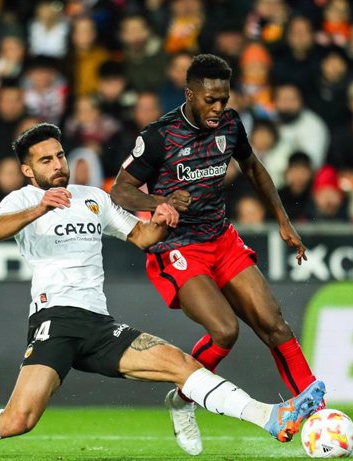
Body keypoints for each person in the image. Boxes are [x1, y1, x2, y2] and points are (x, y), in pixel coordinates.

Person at [0, 123, 325, 457]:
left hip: (99, 324)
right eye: (45, 160)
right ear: (28, 171)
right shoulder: (23, 201)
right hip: (56, 321)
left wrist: (162, 221)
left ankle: (271, 416)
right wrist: (38, 209)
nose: (57, 165)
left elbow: (142, 239)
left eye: (60, 156)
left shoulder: (95, 198)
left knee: (181, 365)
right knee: (17, 421)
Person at [110, 54, 321, 456]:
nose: (218, 107)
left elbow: (254, 168)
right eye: (210, 99)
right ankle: (183, 399)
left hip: (222, 239)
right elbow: (119, 190)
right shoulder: (158, 136)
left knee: (274, 324)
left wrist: (283, 221)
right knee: (225, 330)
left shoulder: (230, 124)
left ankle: (319, 415)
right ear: (189, 94)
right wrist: (160, 199)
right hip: (177, 248)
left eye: (224, 98)